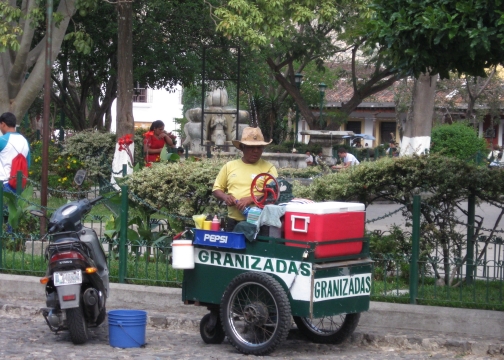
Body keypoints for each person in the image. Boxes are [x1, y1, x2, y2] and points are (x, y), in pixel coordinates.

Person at [213, 127, 278, 231]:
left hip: (259, 223)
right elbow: (216, 189)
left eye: (259, 147)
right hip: (233, 221)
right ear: (242, 147)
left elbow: (274, 194)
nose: (256, 151)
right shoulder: (229, 166)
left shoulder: (269, 168)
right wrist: (226, 197)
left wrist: (251, 199)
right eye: (251, 147)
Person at [0, 112, 30, 193]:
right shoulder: (25, 141)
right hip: (19, 185)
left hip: (3, 184)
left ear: (3, 124)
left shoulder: (2, 140)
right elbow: (28, 163)